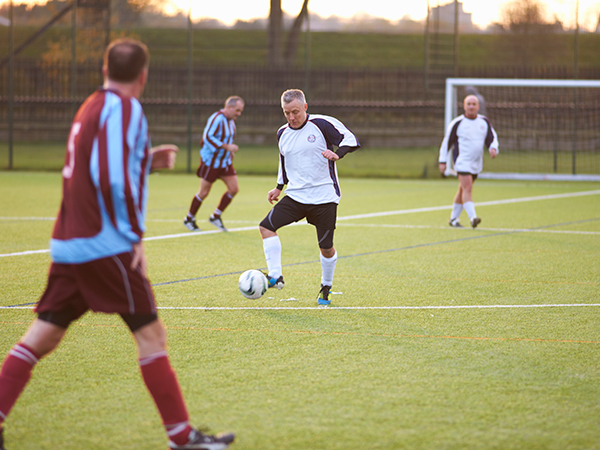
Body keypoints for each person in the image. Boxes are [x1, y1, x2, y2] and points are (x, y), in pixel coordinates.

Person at [0, 39, 234, 450]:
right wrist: (133, 237)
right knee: (151, 336)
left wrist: (143, 160)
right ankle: (182, 438)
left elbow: (97, 163)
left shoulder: (91, 105)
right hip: (104, 245)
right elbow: (109, 176)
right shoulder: (127, 109)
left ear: (105, 69)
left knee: (44, 336)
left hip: (71, 241)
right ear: (144, 75)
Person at [258, 89, 360, 306]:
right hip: (295, 195)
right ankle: (276, 276)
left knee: (325, 247)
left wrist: (337, 153)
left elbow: (350, 139)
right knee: (266, 227)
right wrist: (278, 187)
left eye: (295, 111)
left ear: (305, 107)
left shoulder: (322, 124)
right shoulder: (282, 132)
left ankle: (326, 287)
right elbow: (283, 161)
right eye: (286, 113)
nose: (291, 117)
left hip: (324, 197)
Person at [183, 96, 245, 232]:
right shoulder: (216, 119)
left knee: (234, 189)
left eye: (240, 111)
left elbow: (228, 139)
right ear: (229, 107)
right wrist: (227, 147)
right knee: (204, 192)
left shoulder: (231, 122)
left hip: (225, 162)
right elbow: (207, 138)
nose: (239, 114)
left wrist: (230, 152)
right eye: (237, 110)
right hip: (211, 162)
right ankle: (189, 218)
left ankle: (215, 216)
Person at [438, 94, 499, 228]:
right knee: (468, 188)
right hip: (462, 162)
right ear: (464, 106)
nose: (471, 106)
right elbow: (446, 143)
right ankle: (473, 218)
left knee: (462, 191)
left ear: (478, 106)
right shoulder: (457, 123)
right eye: (468, 104)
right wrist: (442, 161)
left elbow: (492, 137)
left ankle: (453, 219)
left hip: (476, 163)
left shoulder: (484, 122)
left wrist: (493, 148)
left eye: (473, 104)